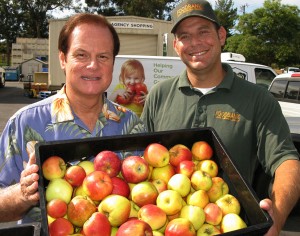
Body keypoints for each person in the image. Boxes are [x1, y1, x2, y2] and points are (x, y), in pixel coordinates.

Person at [141, 0, 300, 235]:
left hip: (233, 226)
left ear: (221, 35)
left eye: (203, 32)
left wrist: (277, 213)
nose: (194, 42)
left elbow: (286, 161)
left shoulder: (258, 100)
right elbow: (140, 160)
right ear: (176, 45)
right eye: (184, 36)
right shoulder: (158, 95)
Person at [0, 13, 146, 223]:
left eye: (103, 56)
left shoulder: (132, 124)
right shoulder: (25, 123)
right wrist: (23, 195)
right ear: (62, 59)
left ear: (113, 63)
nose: (93, 65)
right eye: (81, 55)